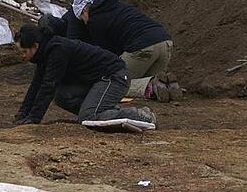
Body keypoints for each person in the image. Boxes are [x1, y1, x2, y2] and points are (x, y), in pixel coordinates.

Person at [13, 24, 156, 127]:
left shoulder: (57, 50)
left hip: (113, 77)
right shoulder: (45, 53)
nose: (23, 56)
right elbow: (36, 85)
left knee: (89, 117)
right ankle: (105, 110)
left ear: (35, 46)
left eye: (24, 51)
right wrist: (22, 114)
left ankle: (141, 115)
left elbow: (48, 85)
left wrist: (34, 119)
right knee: (62, 96)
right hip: (96, 80)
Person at [70, 0, 180, 102]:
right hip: (165, 43)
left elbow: (106, 53)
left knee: (114, 82)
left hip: (143, 48)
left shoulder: (95, 20)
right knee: (140, 79)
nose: (84, 21)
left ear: (85, 10)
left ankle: (150, 86)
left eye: (82, 17)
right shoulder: (116, 5)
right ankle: (167, 86)